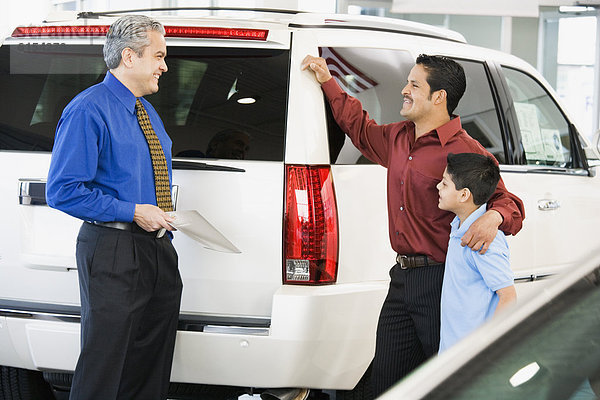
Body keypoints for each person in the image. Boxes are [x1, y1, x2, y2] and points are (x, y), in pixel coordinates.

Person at [301, 53, 525, 396]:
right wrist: (327, 81)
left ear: (439, 97)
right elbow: (359, 127)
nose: (404, 90)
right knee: (385, 383)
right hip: (401, 278)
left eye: (413, 85)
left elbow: (509, 204)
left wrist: (494, 217)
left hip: (441, 281)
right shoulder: (397, 138)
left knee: (446, 381)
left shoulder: (466, 150)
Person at [46, 15, 182, 400]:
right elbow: (63, 189)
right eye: (158, 56)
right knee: (106, 369)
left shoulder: (146, 112)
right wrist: (132, 211)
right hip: (114, 251)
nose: (164, 66)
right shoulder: (89, 109)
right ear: (129, 56)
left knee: (150, 368)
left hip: (157, 250)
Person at [436, 152, 516, 353]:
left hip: (471, 356)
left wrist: (485, 348)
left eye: (445, 184)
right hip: (452, 351)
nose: (438, 186)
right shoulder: (458, 226)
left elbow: (508, 297)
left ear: (464, 195)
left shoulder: (484, 239)